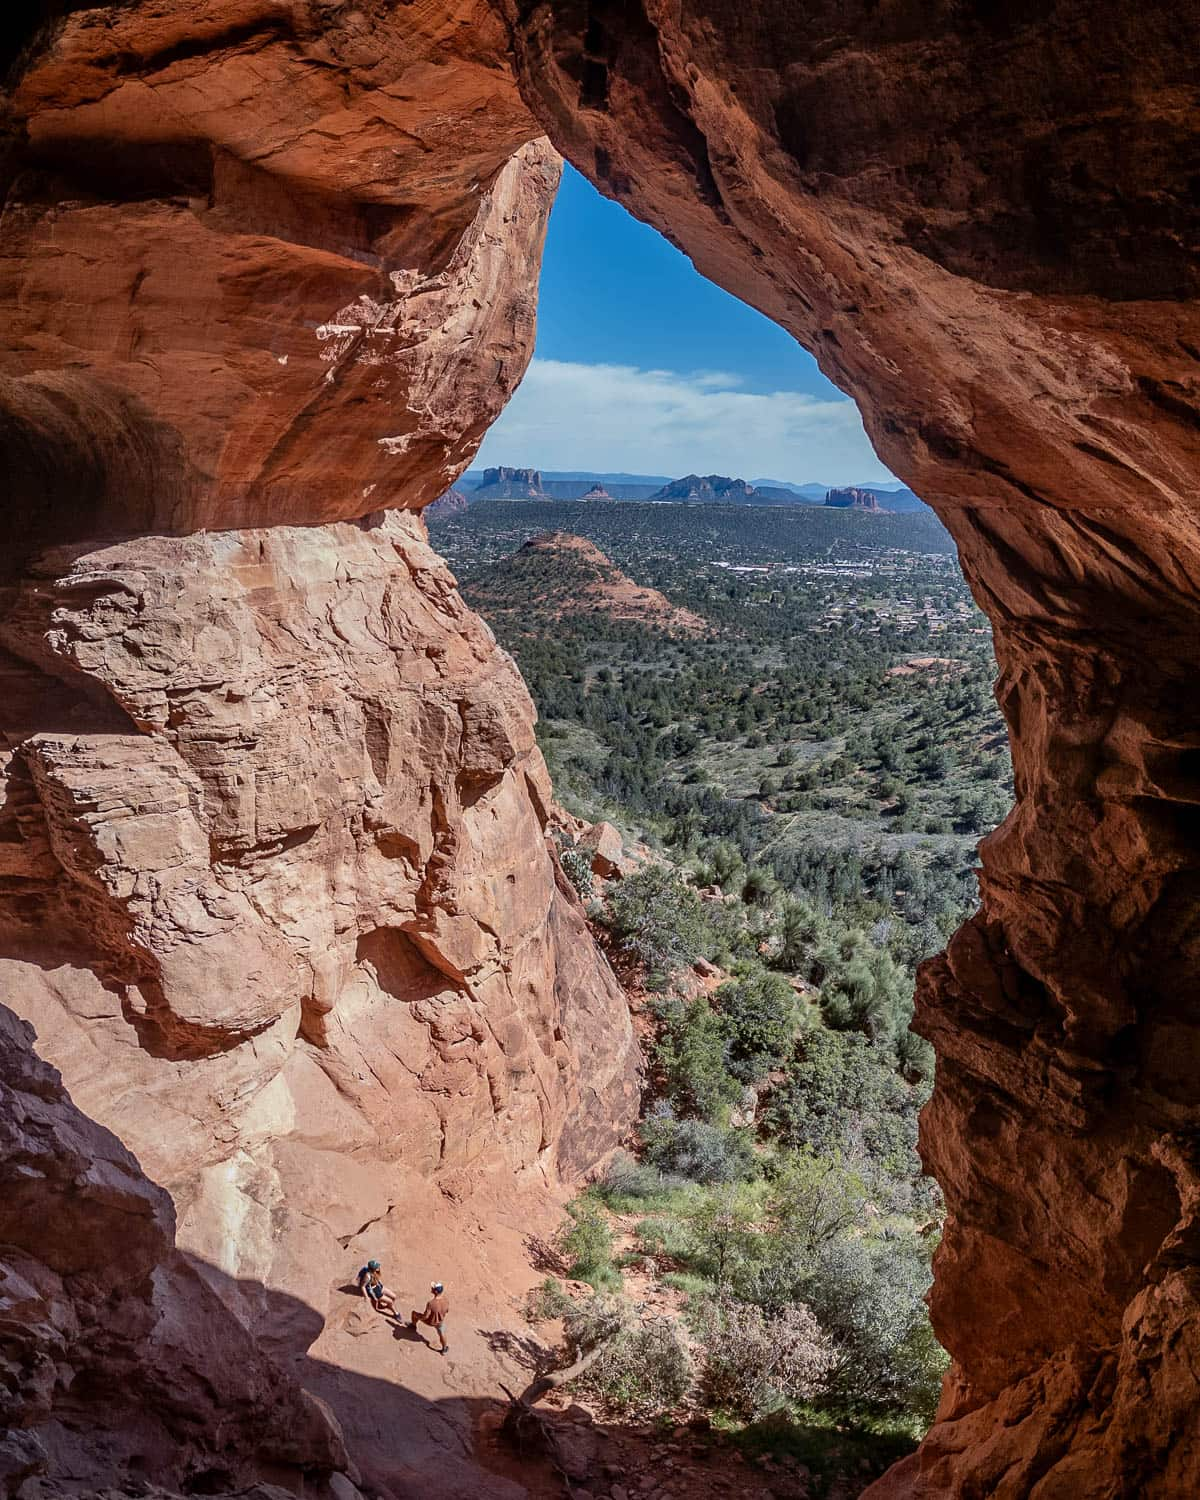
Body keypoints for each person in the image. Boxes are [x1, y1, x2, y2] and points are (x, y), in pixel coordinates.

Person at [411, 1281, 449, 1354]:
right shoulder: (446, 1301)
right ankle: (444, 1348)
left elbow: (425, 1316)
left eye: (433, 1288)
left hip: (430, 1322)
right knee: (442, 1334)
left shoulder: (431, 1303)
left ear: (435, 1291)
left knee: (414, 1313)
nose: (431, 1288)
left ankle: (413, 1326)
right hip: (440, 1322)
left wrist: (419, 1318)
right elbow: (447, 1311)